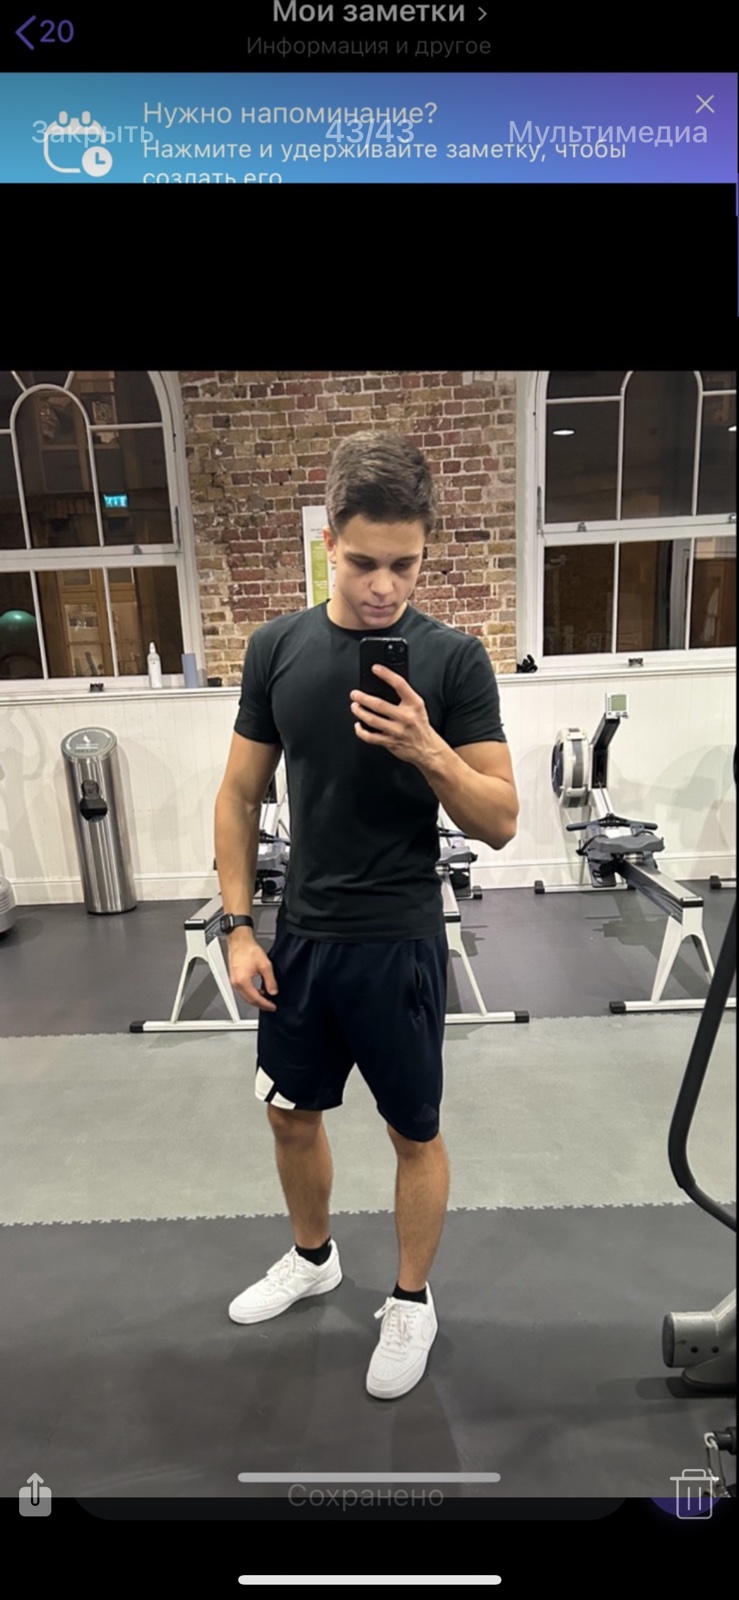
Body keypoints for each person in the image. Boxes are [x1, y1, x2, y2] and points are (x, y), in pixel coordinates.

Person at [214, 432, 519, 1401]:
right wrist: (237, 926)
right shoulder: (276, 648)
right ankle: (313, 1258)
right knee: (288, 1115)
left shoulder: (453, 660)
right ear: (328, 543)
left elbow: (501, 820)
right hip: (301, 937)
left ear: (424, 552)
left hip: (398, 940)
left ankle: (412, 1299)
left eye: (404, 565)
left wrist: (428, 748)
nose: (384, 586)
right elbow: (238, 794)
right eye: (361, 563)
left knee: (412, 1131)